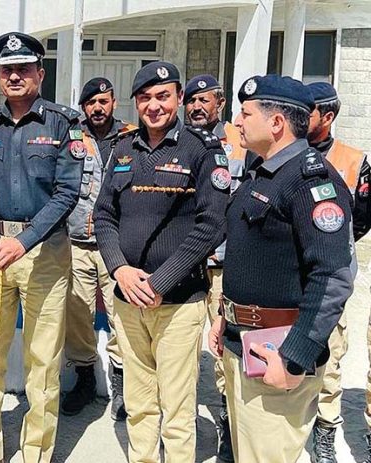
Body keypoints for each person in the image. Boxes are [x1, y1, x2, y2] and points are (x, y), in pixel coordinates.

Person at [209, 74, 354, 463]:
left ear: (276, 123)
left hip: (279, 352)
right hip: (247, 343)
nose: (237, 121)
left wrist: (295, 357)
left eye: (245, 113)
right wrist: (227, 316)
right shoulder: (264, 171)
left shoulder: (310, 182)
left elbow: (333, 276)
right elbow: (253, 254)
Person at [94, 61, 229, 463]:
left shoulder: (203, 151)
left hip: (178, 302)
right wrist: (119, 267)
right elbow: (103, 215)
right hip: (128, 299)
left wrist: (160, 281)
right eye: (146, 98)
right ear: (136, 102)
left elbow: (212, 225)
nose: (154, 106)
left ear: (179, 98)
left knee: (176, 408)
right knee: (139, 404)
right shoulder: (123, 148)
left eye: (163, 96)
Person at [0, 32, 83, 463]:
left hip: (43, 252)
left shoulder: (63, 123)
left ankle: (36, 453)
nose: (15, 76)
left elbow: (67, 194)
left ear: (40, 74)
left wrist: (23, 242)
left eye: (23, 69)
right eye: (7, 70)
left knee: (42, 363)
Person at [183, 73, 253, 463]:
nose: (196, 107)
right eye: (191, 101)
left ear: (220, 103)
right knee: (182, 354)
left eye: (204, 100)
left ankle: (228, 432)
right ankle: (180, 428)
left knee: (227, 355)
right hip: (188, 265)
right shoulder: (179, 144)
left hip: (227, 267)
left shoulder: (243, 146)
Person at [62, 77, 137, 419]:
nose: (97, 108)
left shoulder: (132, 136)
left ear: (113, 102)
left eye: (103, 101)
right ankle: (83, 377)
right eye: (91, 102)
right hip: (76, 240)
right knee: (77, 314)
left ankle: (120, 383)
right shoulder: (70, 134)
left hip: (117, 245)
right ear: (83, 106)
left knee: (120, 314)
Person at [304, 81, 371, 463]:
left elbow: (360, 218)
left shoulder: (353, 160)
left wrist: (332, 248)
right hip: (290, 276)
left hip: (331, 278)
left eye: (308, 111)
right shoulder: (285, 152)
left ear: (327, 117)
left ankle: (326, 430)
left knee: (329, 357)